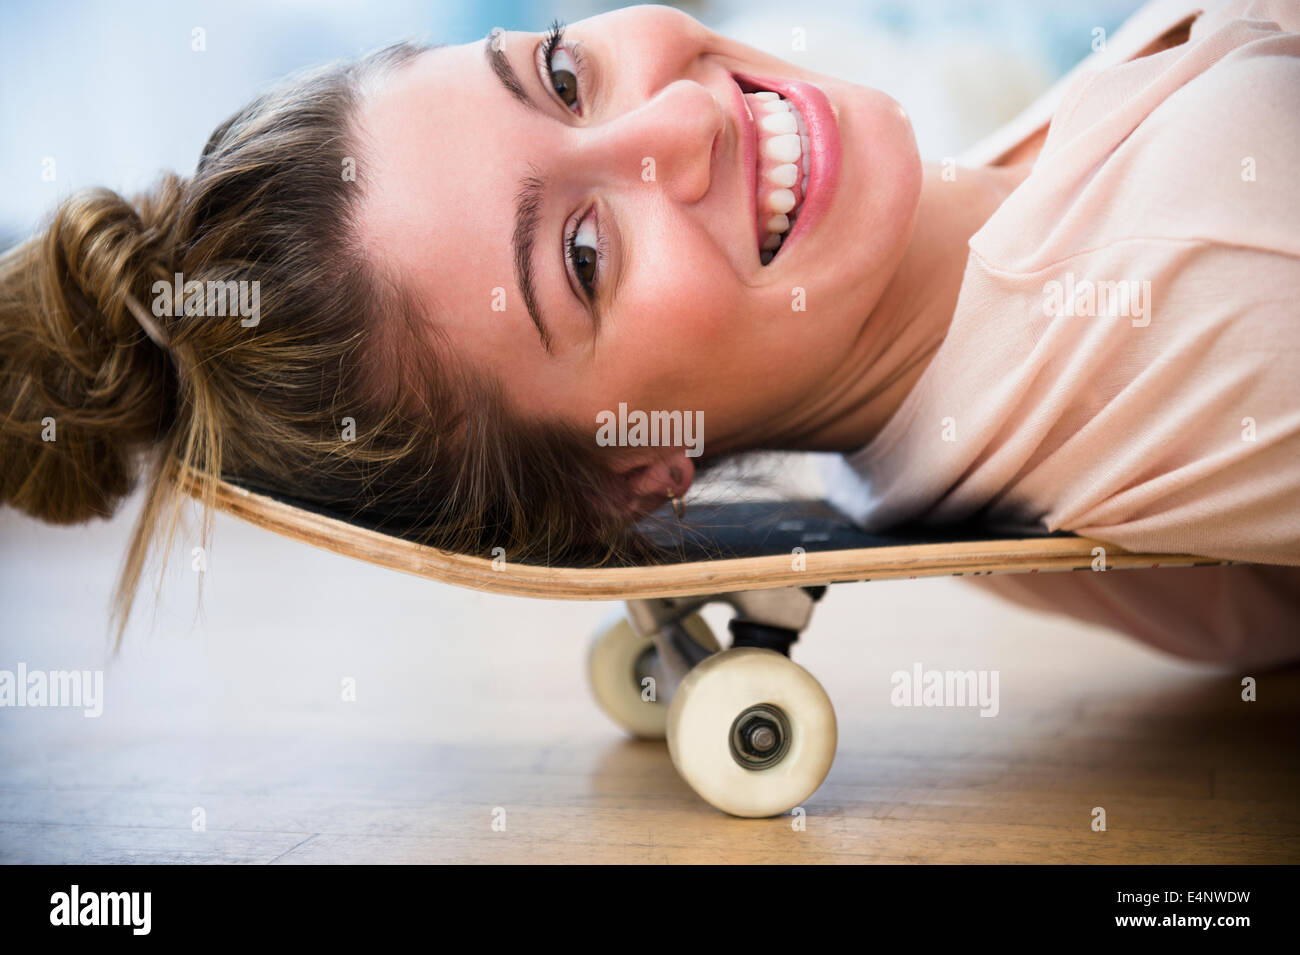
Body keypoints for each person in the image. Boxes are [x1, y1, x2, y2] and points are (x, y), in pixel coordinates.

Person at [2, 2, 1296, 660]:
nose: (681, 123)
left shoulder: (945, 410)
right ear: (634, 466)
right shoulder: (1207, 253)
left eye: (563, 76)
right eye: (583, 255)